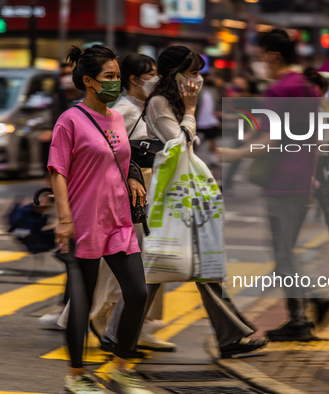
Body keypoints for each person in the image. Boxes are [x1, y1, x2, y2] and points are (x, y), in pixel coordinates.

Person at [143, 44, 266, 358]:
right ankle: (118, 333)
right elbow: (181, 141)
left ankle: (229, 336)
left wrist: (189, 109)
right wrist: (192, 109)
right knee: (158, 268)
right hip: (171, 196)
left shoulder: (171, 100)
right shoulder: (158, 102)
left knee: (199, 266)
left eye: (200, 73)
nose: (198, 80)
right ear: (176, 74)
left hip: (186, 192)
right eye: (193, 72)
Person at [48, 44, 151, 394]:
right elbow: (58, 171)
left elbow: (121, 157)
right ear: (89, 81)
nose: (116, 83)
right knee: (83, 300)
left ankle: (121, 368)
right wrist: (64, 219)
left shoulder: (118, 118)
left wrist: (134, 176)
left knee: (138, 293)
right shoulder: (70, 120)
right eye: (109, 77)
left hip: (119, 220)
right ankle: (76, 376)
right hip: (83, 221)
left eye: (118, 77)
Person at [221, 29, 329, 341]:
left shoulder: (281, 89)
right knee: (286, 251)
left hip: (283, 180)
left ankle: (306, 311)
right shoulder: (306, 87)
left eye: (260, 55)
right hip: (301, 177)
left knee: (283, 254)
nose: (258, 62)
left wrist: (233, 154)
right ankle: (303, 313)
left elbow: (271, 138)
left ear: (274, 55)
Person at [89, 53, 176, 353]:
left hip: (155, 192)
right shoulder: (124, 110)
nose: (156, 78)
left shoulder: (152, 108)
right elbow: (109, 154)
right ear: (134, 79)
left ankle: (143, 324)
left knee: (152, 262)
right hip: (131, 195)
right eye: (150, 73)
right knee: (131, 263)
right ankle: (107, 322)